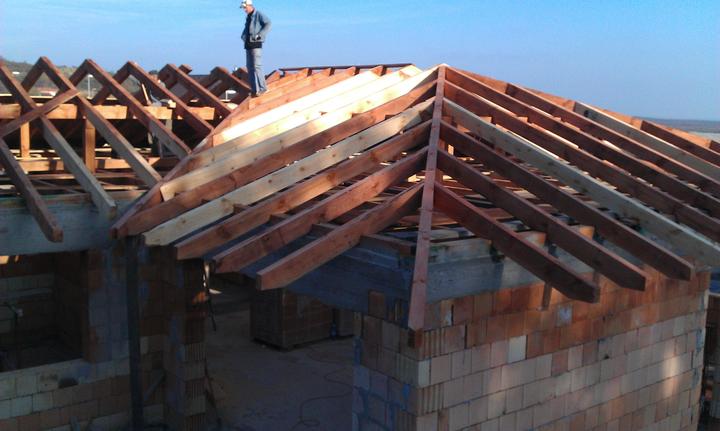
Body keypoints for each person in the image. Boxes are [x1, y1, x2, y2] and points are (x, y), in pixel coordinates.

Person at [241, 0, 272, 97]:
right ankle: (254, 90)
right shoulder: (248, 17)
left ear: (249, 5)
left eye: (245, 7)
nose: (244, 10)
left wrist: (260, 35)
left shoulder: (258, 14)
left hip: (256, 44)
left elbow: (268, 23)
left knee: (257, 66)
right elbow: (247, 29)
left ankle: (263, 88)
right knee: (249, 67)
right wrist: (243, 36)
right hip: (248, 45)